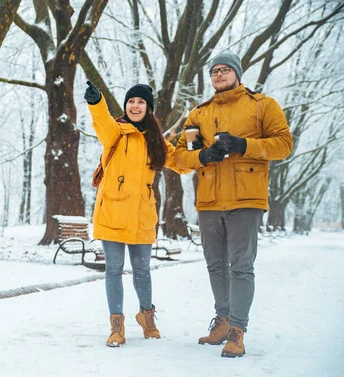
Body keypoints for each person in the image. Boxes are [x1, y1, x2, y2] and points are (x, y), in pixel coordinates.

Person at [175, 51, 293, 357]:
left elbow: (284, 144)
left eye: (225, 70)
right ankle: (223, 322)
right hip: (210, 201)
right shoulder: (198, 114)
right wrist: (201, 155)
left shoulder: (262, 105)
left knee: (241, 266)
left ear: (237, 74)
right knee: (215, 265)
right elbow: (178, 156)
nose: (219, 75)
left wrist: (243, 145)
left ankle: (238, 331)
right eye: (214, 71)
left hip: (246, 198)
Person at [84, 81, 191, 347]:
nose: (135, 106)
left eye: (140, 102)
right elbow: (101, 121)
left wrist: (200, 151)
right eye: (131, 101)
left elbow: (180, 162)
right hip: (112, 211)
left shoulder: (156, 142)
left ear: (148, 108)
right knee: (114, 269)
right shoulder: (116, 132)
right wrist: (96, 102)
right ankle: (117, 326)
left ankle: (147, 317)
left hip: (143, 214)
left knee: (142, 270)